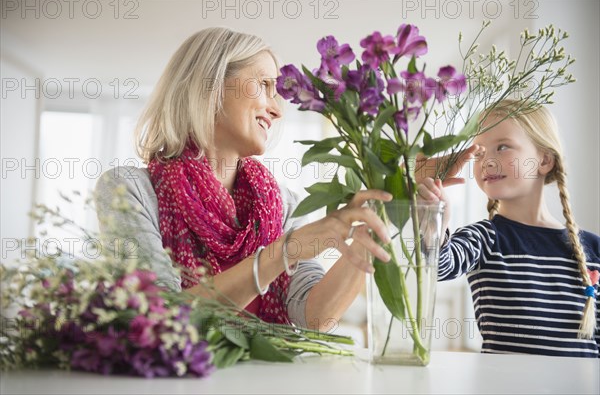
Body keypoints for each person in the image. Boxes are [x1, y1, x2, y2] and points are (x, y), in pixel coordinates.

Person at [95, 27, 474, 331]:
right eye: (264, 86)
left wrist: (381, 210)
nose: (277, 109)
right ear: (208, 86)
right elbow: (159, 320)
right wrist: (286, 250)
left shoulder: (279, 201)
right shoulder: (128, 190)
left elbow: (313, 318)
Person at [417, 100, 600, 357]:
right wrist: (435, 220)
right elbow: (439, 267)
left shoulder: (592, 247)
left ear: (544, 160)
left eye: (502, 147)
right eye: (479, 154)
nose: (487, 161)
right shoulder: (484, 237)